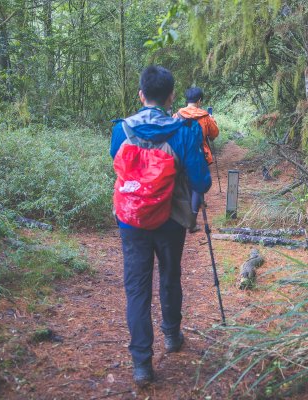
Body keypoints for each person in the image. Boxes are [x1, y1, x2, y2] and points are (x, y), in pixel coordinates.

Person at [110, 66, 212, 387]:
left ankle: (142, 364)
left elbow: (118, 164)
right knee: (170, 274)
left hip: (132, 221)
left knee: (137, 287)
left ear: (141, 95)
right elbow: (201, 181)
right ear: (171, 97)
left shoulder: (121, 130)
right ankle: (171, 335)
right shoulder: (184, 131)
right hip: (170, 218)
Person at [175, 87, 219, 231]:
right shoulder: (205, 116)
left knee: (184, 183)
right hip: (199, 153)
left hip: (181, 154)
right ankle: (192, 221)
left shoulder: (177, 115)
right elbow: (214, 134)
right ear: (199, 100)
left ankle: (182, 215)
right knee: (197, 186)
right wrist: (213, 121)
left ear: (187, 100)